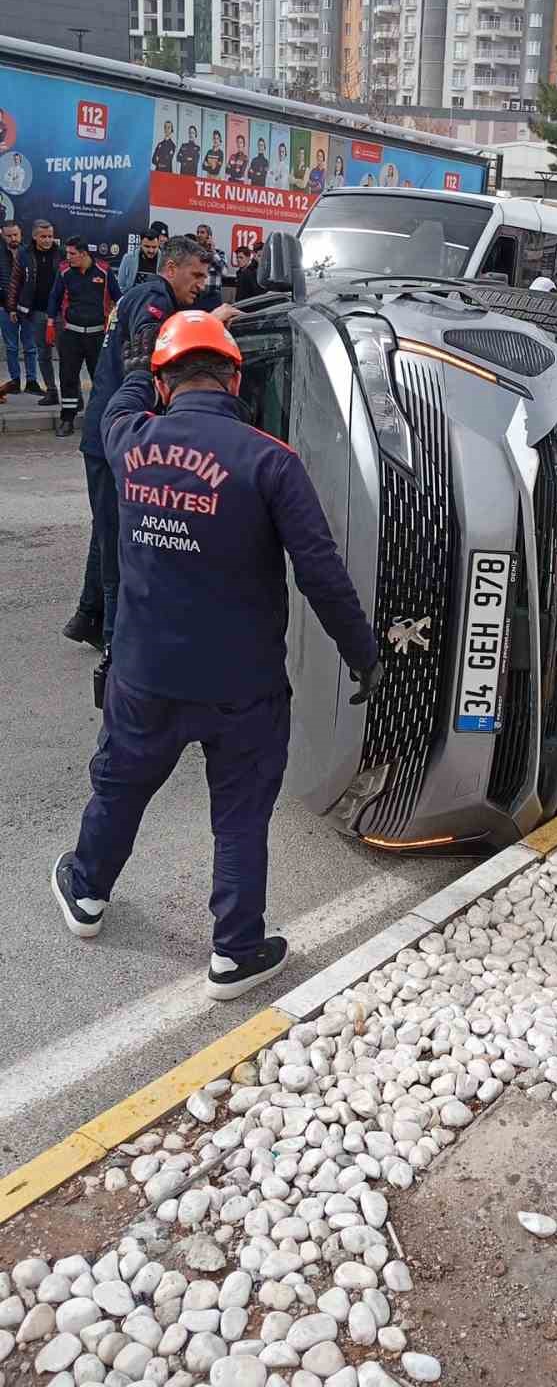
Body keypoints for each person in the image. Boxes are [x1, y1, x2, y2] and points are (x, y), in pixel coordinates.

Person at [52, 313, 382, 1000]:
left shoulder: (131, 440)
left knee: (120, 788)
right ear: (236, 379)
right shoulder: (270, 461)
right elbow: (320, 572)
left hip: (146, 678)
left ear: (167, 384)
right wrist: (365, 658)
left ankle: (86, 895)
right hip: (245, 688)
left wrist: (145, 367)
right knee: (239, 816)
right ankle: (234, 951)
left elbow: (117, 400)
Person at [63, 236, 225, 658]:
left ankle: (87, 615)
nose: (202, 284)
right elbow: (153, 350)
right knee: (119, 538)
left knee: (106, 526)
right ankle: (118, 645)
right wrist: (211, 326)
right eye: (195, 275)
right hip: (118, 435)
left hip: (107, 433)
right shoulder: (152, 299)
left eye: (206, 276)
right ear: (170, 269)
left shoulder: (140, 294)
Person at [47, 237, 121, 437]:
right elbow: (54, 297)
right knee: (68, 377)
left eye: (72, 254)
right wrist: (50, 323)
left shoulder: (104, 272)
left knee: (100, 379)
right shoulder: (64, 272)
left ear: (84, 254)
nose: (68, 257)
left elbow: (118, 298)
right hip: (71, 333)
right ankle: (67, 419)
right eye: (67, 253)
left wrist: (118, 326)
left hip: (97, 336)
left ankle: (97, 419)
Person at [8, 218, 61, 405]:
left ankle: (74, 394)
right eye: (43, 236)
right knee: (43, 354)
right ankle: (52, 391)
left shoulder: (61, 253)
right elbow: (16, 281)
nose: (48, 240)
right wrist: (12, 307)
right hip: (36, 312)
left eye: (51, 236)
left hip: (60, 313)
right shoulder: (24, 253)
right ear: (34, 236)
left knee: (67, 355)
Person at [0, 221, 38, 397]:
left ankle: (32, 381)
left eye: (15, 235)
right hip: (4, 308)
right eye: (9, 235)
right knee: (12, 347)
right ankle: (15, 381)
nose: (13, 238)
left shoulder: (29, 253)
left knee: (31, 347)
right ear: (2, 235)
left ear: (21, 234)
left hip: (28, 308)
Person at [194, 223, 227, 313]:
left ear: (209, 236)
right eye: (198, 232)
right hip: (196, 297)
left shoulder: (219, 253)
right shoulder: (193, 253)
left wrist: (212, 252)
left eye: (202, 232)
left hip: (213, 298)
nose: (199, 235)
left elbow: (224, 272)